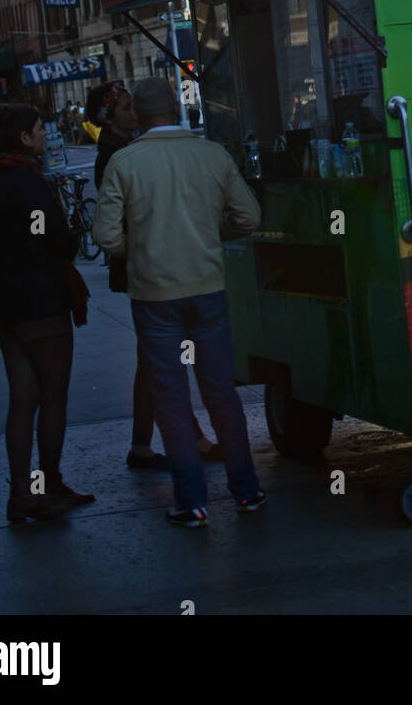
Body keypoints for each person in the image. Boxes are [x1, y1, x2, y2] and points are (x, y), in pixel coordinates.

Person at [94, 77, 264, 528]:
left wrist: (146, 246)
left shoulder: (124, 162)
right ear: (176, 107)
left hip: (154, 295)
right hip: (207, 288)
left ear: (139, 115)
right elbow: (249, 217)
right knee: (221, 395)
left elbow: (106, 236)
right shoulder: (211, 154)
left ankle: (192, 502)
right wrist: (212, 233)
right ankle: (247, 490)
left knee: (170, 398)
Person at [85, 81, 220, 469]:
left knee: (152, 359)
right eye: (127, 108)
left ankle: (143, 444)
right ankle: (190, 439)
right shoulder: (117, 155)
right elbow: (118, 223)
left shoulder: (124, 150)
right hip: (149, 266)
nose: (135, 113)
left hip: (144, 264)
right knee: (164, 358)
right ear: (110, 117)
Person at [0, 103, 94, 524]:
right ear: (25, 138)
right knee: (52, 396)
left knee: (23, 400)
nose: (46, 135)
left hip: (7, 306)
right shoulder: (31, 186)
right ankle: (48, 485)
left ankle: (22, 493)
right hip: (42, 305)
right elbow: (48, 237)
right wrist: (61, 237)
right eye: (41, 130)